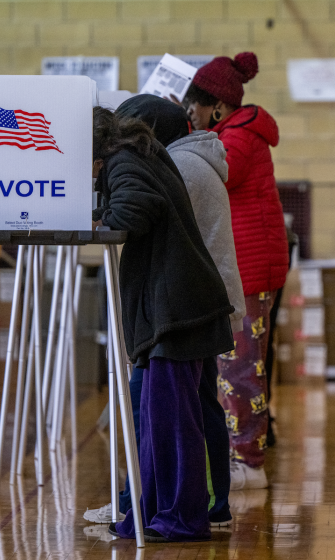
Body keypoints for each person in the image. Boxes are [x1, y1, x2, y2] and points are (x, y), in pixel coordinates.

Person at [92, 107, 235, 542]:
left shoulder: (124, 162)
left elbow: (136, 207)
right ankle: (152, 513)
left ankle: (181, 519)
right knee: (160, 421)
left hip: (176, 309)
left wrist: (102, 222)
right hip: (174, 307)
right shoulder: (138, 154)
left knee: (172, 424)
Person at [184, 52, 289, 491]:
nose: (189, 116)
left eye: (193, 108)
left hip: (249, 270)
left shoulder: (239, 139)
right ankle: (241, 453)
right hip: (243, 266)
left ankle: (249, 462)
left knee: (242, 368)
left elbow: (210, 173)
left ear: (218, 107)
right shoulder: (232, 131)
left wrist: (179, 134)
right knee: (235, 366)